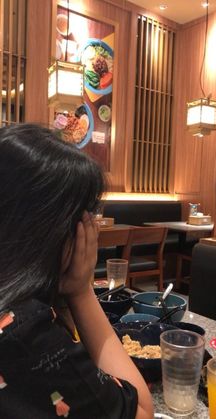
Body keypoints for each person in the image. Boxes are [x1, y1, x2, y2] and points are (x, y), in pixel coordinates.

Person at [0, 124, 153, 419]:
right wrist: (81, 291)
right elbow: (141, 411)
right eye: (86, 218)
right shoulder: (27, 334)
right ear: (53, 230)